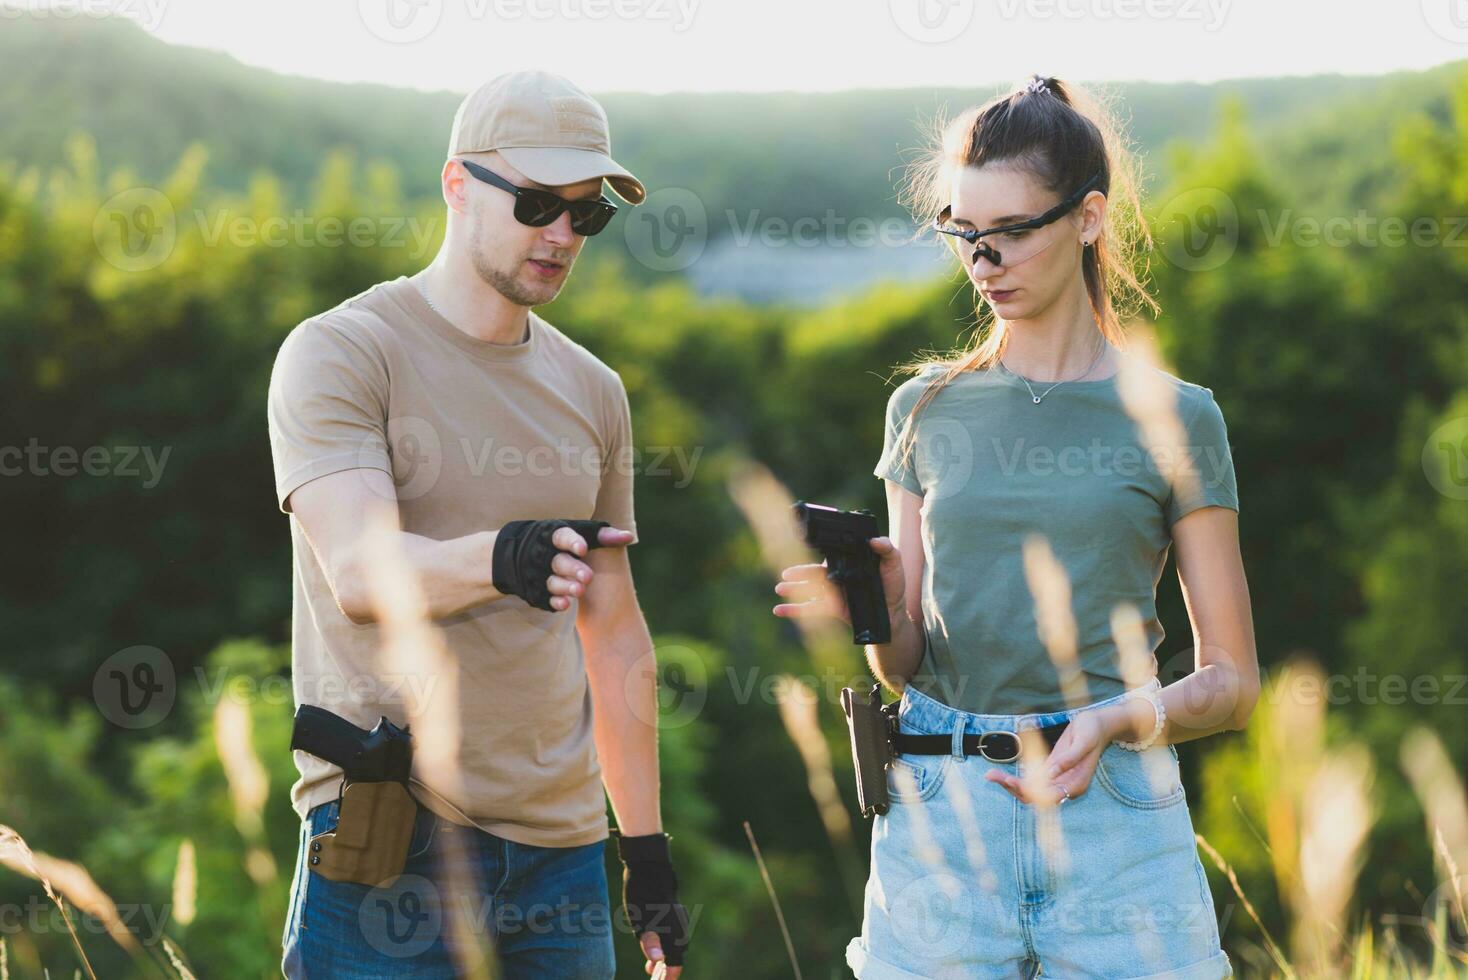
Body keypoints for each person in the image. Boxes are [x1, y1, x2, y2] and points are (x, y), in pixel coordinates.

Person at [773, 74, 1258, 979]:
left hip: (1118, 821)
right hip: (939, 820)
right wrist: (877, 610)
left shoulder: (1179, 419)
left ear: (1087, 218)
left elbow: (1232, 684)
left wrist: (1119, 718)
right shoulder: (923, 409)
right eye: (963, 235)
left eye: (1009, 234)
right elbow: (906, 663)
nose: (981, 263)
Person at [269, 70, 689, 978]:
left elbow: (614, 633)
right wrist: (504, 557)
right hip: (393, 843)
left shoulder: (594, 391)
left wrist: (645, 851)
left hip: (564, 863)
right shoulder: (342, 351)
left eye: (588, 215)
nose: (563, 235)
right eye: (538, 203)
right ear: (458, 185)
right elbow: (358, 572)